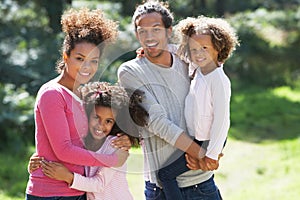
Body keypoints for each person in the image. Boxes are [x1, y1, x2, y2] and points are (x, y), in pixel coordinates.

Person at [117, 1, 222, 199]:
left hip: (202, 182)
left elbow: (216, 89)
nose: (149, 37)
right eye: (142, 31)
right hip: (161, 189)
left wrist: (214, 150)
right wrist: (201, 154)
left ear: (168, 31)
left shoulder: (187, 59)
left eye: (156, 29)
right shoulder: (130, 71)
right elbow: (155, 121)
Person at [25, 8, 130, 200]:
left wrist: (122, 139)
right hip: (51, 193)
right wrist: (112, 160)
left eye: (93, 61)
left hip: (78, 190)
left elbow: (98, 131)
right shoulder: (52, 94)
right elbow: (63, 150)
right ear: (66, 57)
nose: (86, 67)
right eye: (79, 59)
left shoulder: (85, 96)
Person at [157, 16, 240, 200]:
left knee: (165, 175)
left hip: (208, 141)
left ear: (218, 48)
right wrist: (150, 51)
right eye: (194, 49)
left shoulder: (217, 79)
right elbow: (178, 53)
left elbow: (222, 120)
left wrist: (211, 154)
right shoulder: (197, 69)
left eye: (204, 48)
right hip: (197, 139)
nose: (198, 53)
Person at [29, 82, 149, 200]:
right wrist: (40, 160)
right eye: (96, 117)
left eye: (108, 121)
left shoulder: (114, 145)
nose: (100, 126)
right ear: (86, 115)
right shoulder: (83, 141)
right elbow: (65, 149)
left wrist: (68, 177)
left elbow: (99, 184)